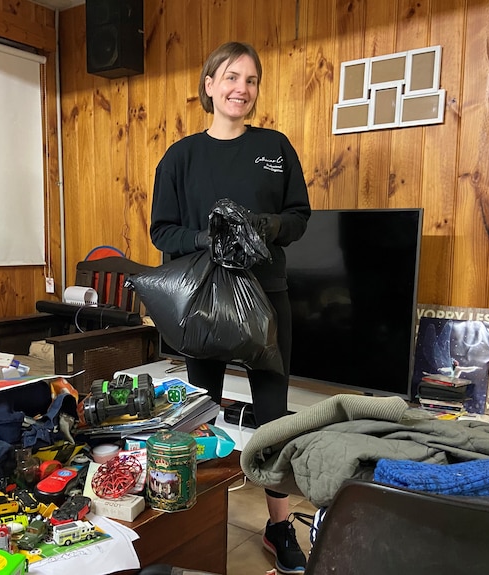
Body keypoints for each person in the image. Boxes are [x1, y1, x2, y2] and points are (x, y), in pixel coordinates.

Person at [149, 41, 311, 575]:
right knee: (202, 410)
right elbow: (162, 231)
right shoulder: (180, 157)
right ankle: (196, 516)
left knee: (271, 416)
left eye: (252, 80)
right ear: (210, 85)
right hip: (203, 303)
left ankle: (279, 524)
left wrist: (264, 226)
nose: (242, 88)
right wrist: (208, 236)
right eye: (231, 77)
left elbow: (299, 216)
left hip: (268, 299)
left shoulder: (275, 147)